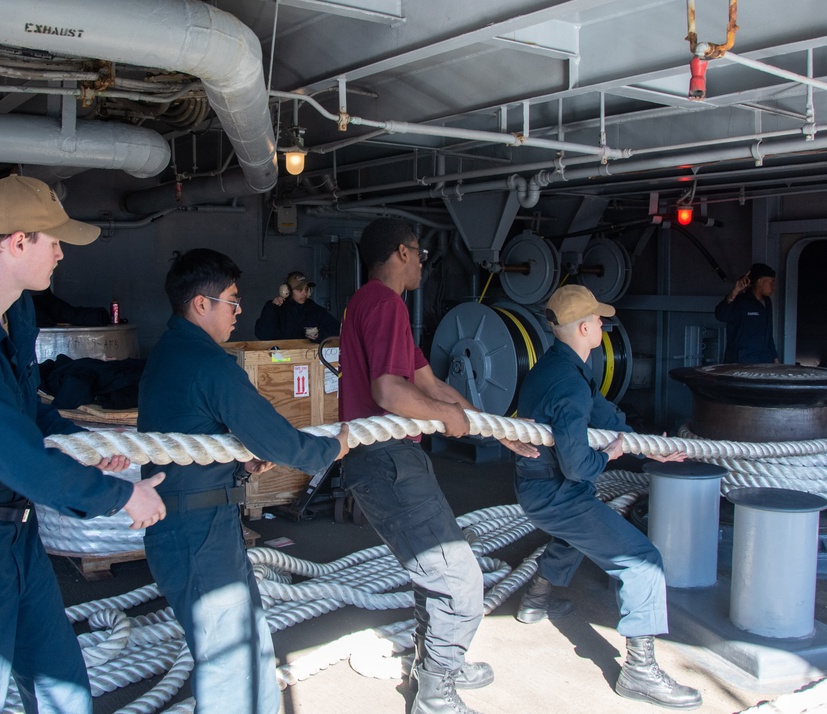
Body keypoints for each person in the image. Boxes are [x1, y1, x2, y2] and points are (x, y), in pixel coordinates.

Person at [0, 174, 167, 714]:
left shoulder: (14, 312)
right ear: (18, 241)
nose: (62, 253)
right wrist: (121, 497)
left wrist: (77, 446)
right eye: (54, 240)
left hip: (14, 536)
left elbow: (30, 413)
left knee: (63, 691)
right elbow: (19, 458)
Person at [137, 248, 349, 714]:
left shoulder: (168, 353)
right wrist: (336, 446)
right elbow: (280, 441)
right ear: (201, 304)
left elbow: (190, 438)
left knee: (248, 646)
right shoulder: (211, 364)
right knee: (229, 664)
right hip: (198, 532)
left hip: (192, 520)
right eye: (232, 301)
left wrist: (240, 466)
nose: (238, 312)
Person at [339, 218, 538, 714]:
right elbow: (390, 391)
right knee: (459, 580)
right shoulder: (382, 303)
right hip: (387, 462)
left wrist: (499, 430)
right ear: (403, 253)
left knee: (440, 573)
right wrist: (447, 417)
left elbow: (431, 387)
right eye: (420, 254)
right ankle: (435, 693)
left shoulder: (379, 307)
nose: (423, 263)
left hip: (394, 460)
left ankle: (436, 662)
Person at [512, 284, 701, 710]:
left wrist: (650, 446)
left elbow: (602, 413)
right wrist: (611, 456)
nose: (603, 324)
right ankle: (639, 672)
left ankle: (535, 600)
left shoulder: (559, 367)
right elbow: (579, 465)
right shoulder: (568, 383)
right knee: (643, 562)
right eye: (598, 319)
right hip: (556, 492)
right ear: (583, 327)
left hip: (543, 488)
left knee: (579, 533)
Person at [714, 262, 779, 364]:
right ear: (760, 282)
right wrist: (734, 292)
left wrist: (775, 358)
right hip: (741, 360)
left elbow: (768, 333)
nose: (774, 286)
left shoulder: (767, 302)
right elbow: (721, 316)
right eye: (771, 282)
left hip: (764, 359)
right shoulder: (741, 301)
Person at [254, 270, 340, 342]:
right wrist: (271, 309)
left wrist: (319, 336)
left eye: (306, 289)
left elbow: (337, 329)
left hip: (306, 357)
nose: (304, 293)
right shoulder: (276, 309)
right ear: (288, 291)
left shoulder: (315, 310)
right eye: (300, 289)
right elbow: (263, 335)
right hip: (281, 358)